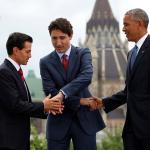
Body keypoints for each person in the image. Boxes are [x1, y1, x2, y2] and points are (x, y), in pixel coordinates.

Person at [40, 18, 105, 150]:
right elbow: (51, 93)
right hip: (58, 121)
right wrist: (81, 101)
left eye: (62, 38)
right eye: (54, 38)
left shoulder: (83, 53)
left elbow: (86, 77)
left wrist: (62, 94)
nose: (58, 43)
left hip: (84, 122)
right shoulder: (45, 62)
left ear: (70, 36)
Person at [92, 8, 150, 150]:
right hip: (132, 130)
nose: (123, 29)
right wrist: (104, 102)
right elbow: (128, 91)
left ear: (140, 24)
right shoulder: (131, 54)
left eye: (126, 25)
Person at [0, 32, 63, 150]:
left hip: (18, 142)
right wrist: (43, 106)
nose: (30, 55)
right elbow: (16, 105)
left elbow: (24, 105)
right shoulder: (4, 72)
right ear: (16, 50)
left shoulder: (14, 71)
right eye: (27, 51)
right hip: (10, 143)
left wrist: (47, 108)